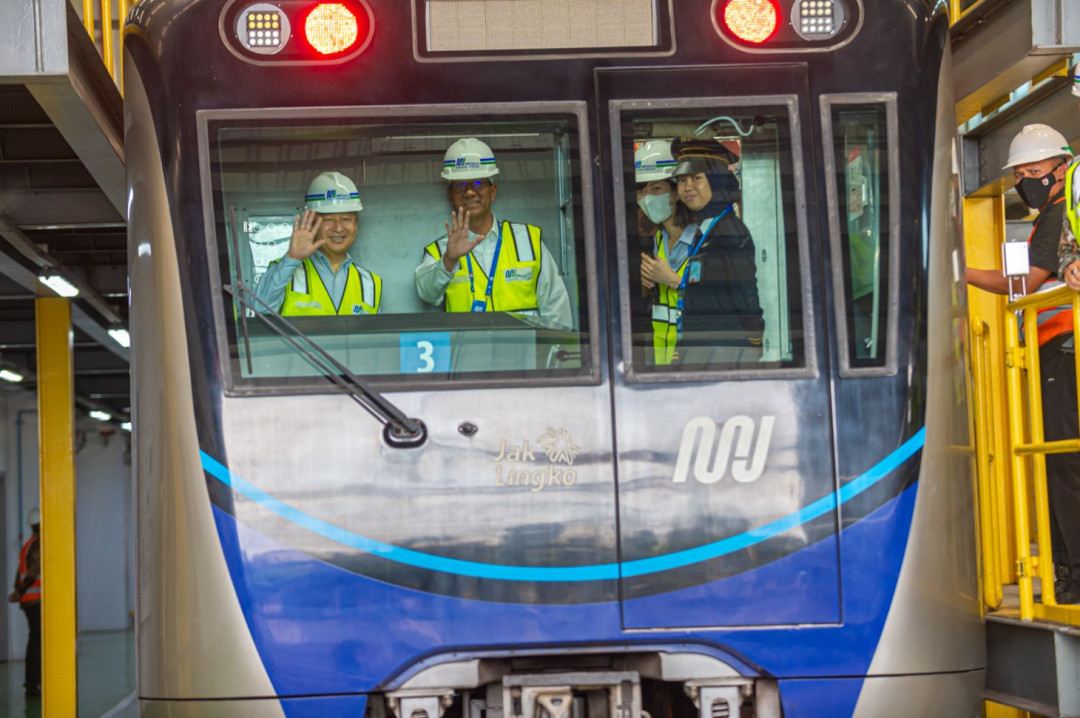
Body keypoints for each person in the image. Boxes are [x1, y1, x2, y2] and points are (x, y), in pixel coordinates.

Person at [967, 123, 1079, 602]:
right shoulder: (1051, 217)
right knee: (1056, 463)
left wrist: (959, 271)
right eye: (1018, 176)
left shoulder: (1059, 215)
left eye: (1032, 172)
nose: (1022, 183)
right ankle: (1066, 571)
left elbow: (1025, 284)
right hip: (1052, 349)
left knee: (1063, 464)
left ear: (1059, 170)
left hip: (1064, 346)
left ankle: (1072, 573)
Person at [414, 138, 573, 330]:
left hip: (524, 357)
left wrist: (554, 356)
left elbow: (557, 310)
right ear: (450, 196)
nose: (470, 192)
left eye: (479, 183)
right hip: (469, 357)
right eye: (460, 185)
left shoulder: (528, 242)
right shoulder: (441, 250)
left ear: (493, 191)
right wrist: (448, 260)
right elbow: (427, 294)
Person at [661, 138, 764, 366]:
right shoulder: (706, 228)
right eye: (681, 180)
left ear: (716, 181)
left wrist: (753, 345)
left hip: (723, 355)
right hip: (705, 353)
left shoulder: (730, 231)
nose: (687, 187)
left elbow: (744, 296)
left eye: (696, 178)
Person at [254, 171, 382, 316]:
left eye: (346, 219)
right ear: (312, 223)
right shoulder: (285, 272)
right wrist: (292, 259)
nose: (338, 228)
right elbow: (259, 309)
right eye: (328, 220)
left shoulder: (370, 283)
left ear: (356, 226)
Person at [634, 139, 695, 365]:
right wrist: (644, 284)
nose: (646, 197)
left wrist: (673, 280)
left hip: (697, 361)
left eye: (656, 188)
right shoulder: (658, 241)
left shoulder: (702, 239)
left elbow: (721, 302)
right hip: (663, 363)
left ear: (676, 191)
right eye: (642, 190)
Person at [8, 508, 41, 697]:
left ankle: (32, 683)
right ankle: (33, 684)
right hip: (35, 600)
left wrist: (17, 592)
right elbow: (33, 571)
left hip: (28, 600)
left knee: (34, 641)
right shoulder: (38, 544)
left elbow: (18, 573)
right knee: (37, 643)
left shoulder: (27, 544)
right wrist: (19, 591)